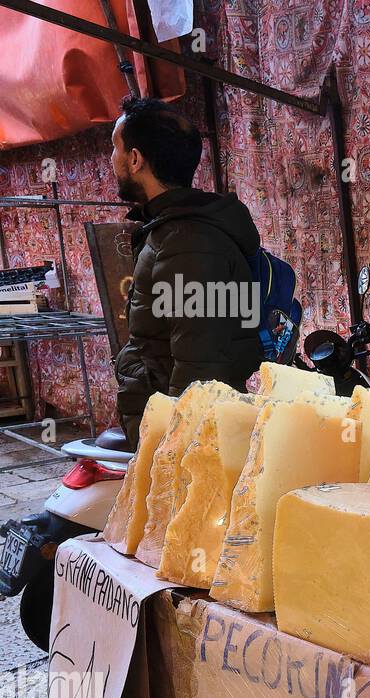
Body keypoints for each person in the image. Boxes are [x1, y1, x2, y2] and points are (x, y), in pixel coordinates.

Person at [109, 95, 263, 447]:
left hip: (180, 435)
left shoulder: (188, 242)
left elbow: (202, 369)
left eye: (115, 148)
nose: (111, 159)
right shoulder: (172, 230)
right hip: (159, 412)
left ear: (135, 160)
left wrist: (177, 452)